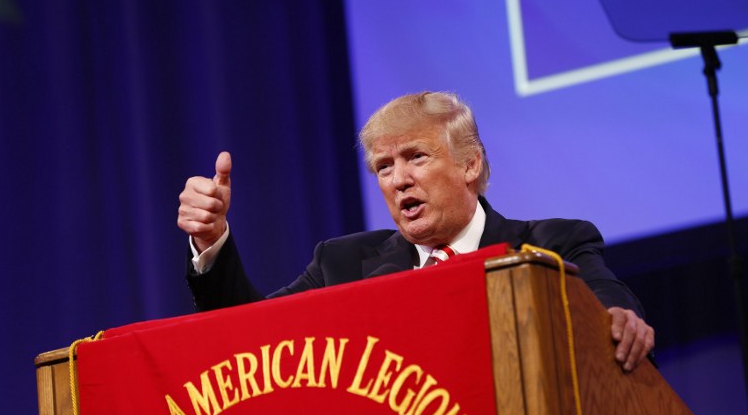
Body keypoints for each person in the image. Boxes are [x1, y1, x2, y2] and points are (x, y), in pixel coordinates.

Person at [177, 91, 654, 371]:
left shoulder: (552, 243)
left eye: (416, 157)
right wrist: (212, 241)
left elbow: (605, 296)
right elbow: (247, 337)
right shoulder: (340, 266)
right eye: (383, 166)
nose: (399, 178)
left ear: (470, 164)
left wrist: (615, 317)